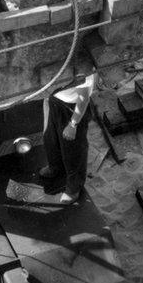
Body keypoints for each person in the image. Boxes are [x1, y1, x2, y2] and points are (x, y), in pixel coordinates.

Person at [39, 72, 99, 204]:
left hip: (71, 107)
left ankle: (74, 187)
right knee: (50, 138)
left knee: (73, 149)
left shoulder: (82, 67)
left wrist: (73, 124)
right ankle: (55, 167)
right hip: (53, 99)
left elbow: (83, 99)